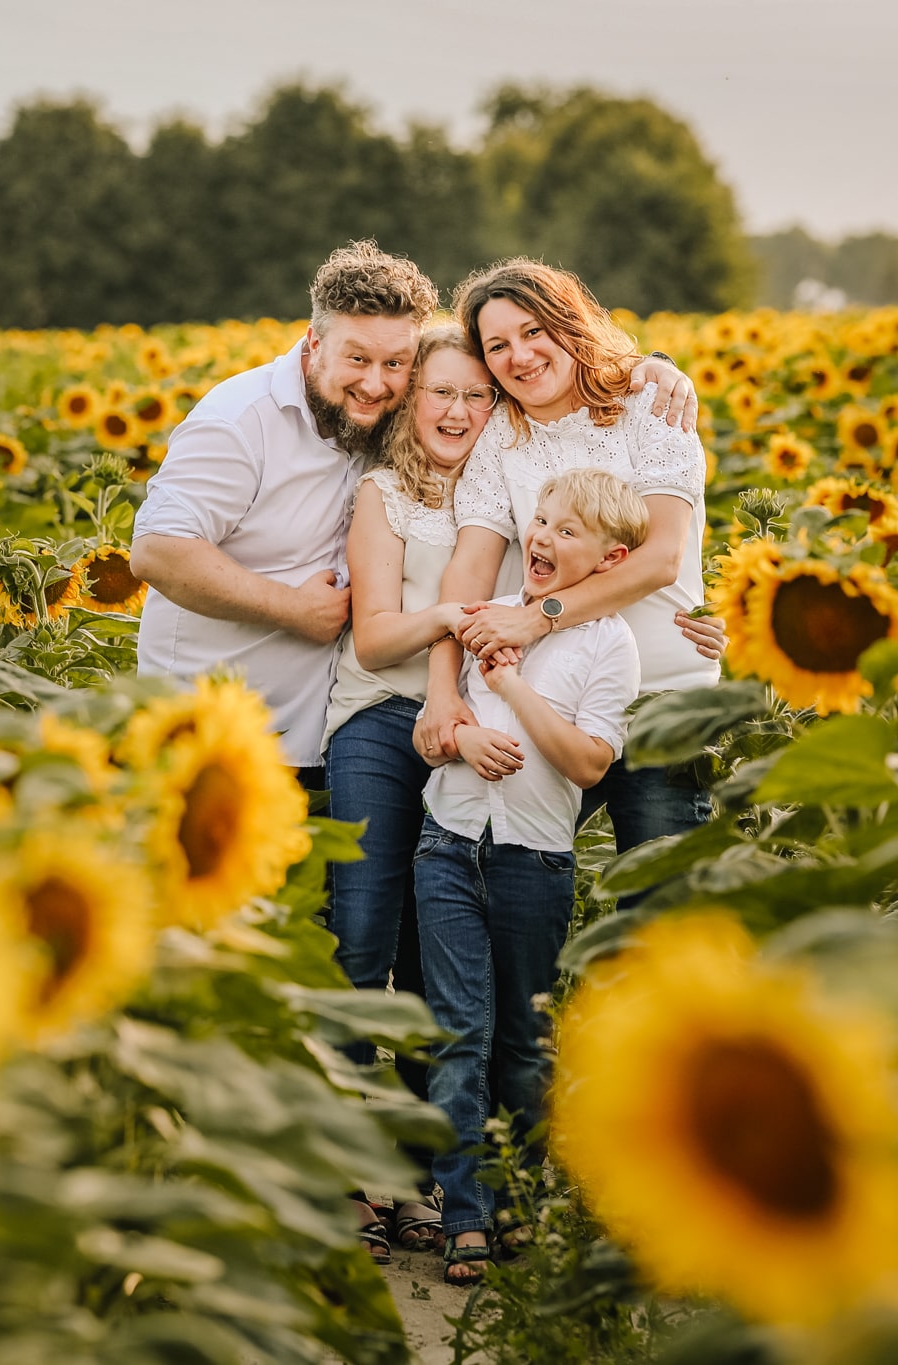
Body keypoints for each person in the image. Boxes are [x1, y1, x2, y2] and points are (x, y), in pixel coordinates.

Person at [132, 242, 699, 785]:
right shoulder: (240, 421)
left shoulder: (388, 416)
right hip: (208, 716)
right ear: (312, 344)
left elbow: (654, 547)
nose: (375, 381)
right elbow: (158, 550)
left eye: (395, 363)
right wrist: (297, 610)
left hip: (316, 724)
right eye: (357, 358)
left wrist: (653, 363)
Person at [414, 469, 649, 1284]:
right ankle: (465, 1214)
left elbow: (589, 760)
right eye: (541, 521)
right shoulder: (482, 617)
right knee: (458, 1032)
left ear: (610, 557)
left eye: (567, 530)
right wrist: (456, 738)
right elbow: (431, 734)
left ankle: (516, 1198)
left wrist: (511, 682)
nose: (543, 538)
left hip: (534, 860)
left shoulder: (608, 642)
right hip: (447, 844)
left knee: (520, 1041)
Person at [322, 322, 521, 1257]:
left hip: (473, 737)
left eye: (476, 395)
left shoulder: (517, 488)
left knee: (433, 966)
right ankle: (341, 1175)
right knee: (362, 945)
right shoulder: (385, 494)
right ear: (411, 402)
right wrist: (450, 614)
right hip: (379, 729)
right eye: (440, 391)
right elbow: (371, 639)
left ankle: (416, 1177)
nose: (457, 410)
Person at [416, 259, 721, 854]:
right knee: (518, 886)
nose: (520, 356)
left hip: (661, 700)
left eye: (534, 331)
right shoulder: (500, 437)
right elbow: (469, 572)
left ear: (569, 323)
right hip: (546, 702)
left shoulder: (650, 408)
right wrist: (441, 688)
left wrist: (537, 616)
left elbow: (660, 557)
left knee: (659, 908)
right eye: (498, 345)